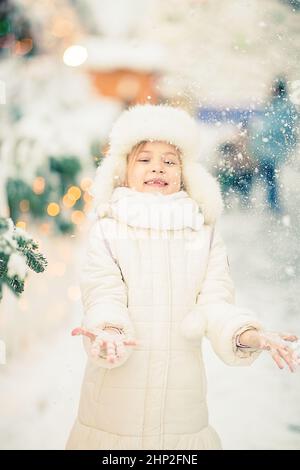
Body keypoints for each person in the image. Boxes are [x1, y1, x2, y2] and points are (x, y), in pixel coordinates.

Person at [66, 104, 299, 450]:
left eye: (169, 160)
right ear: (123, 171)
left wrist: (247, 334)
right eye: (144, 159)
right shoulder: (108, 230)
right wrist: (108, 331)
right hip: (114, 411)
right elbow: (104, 293)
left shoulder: (202, 234)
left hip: (182, 409)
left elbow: (216, 301)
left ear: (185, 173)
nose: (157, 166)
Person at [247, 77, 299, 213]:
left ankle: (272, 204)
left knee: (268, 176)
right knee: (268, 176)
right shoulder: (279, 105)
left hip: (270, 149)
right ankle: (271, 203)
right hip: (270, 148)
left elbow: (273, 127)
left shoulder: (281, 106)